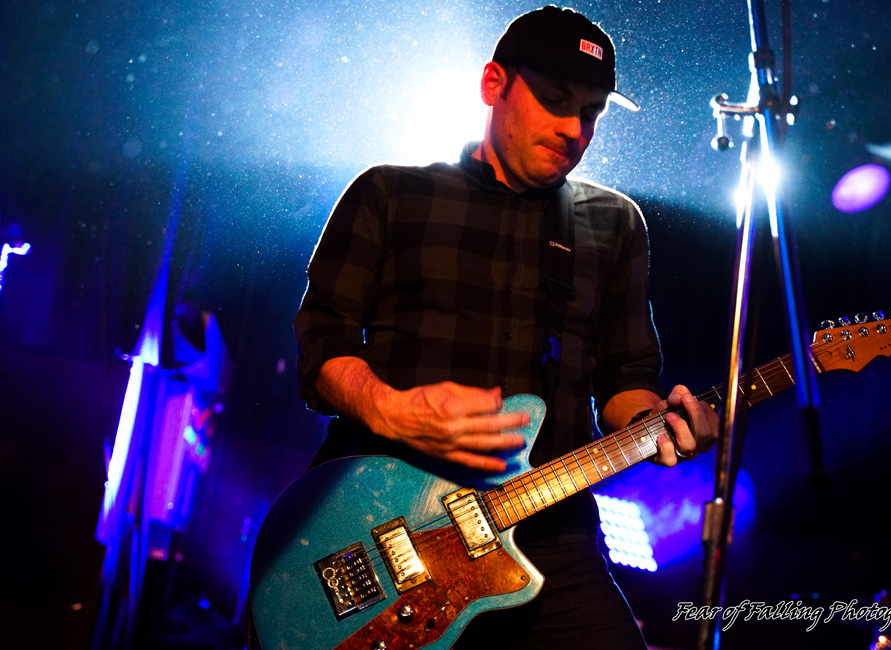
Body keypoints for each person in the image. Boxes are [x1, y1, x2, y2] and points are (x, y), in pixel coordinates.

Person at [292, 6, 718, 649]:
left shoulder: (616, 224)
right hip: (384, 522)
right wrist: (391, 410)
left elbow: (625, 379)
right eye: (554, 101)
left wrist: (661, 427)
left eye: (593, 113)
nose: (575, 128)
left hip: (552, 535)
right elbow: (323, 340)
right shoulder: (390, 194)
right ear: (494, 85)